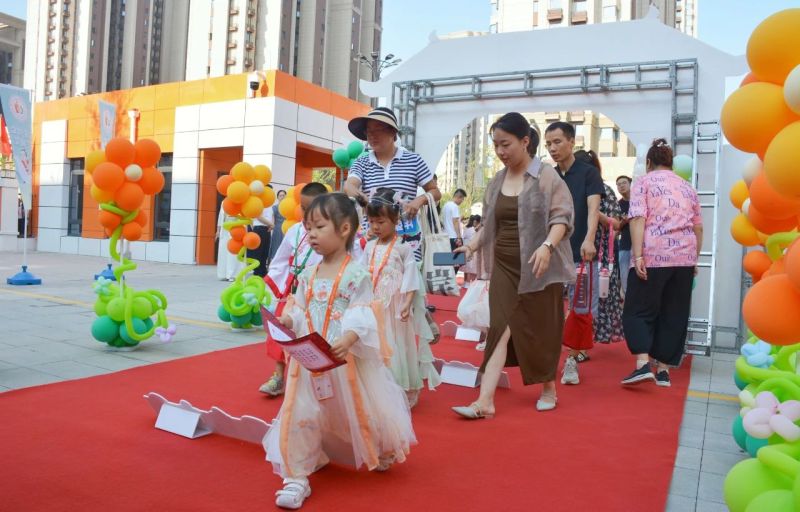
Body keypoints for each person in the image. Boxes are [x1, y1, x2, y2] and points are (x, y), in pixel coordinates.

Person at [263, 193, 416, 509]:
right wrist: (288, 319)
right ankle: (296, 475)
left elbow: (363, 310)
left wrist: (349, 336)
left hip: (342, 360)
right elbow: (299, 306)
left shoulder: (356, 274)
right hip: (307, 362)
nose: (311, 235)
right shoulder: (308, 274)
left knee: (357, 406)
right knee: (301, 411)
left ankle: (376, 445)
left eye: (319, 227)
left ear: (344, 229)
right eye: (308, 228)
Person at [451, 113, 575, 417]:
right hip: (504, 266)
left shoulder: (546, 176)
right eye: (496, 145)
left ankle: (548, 387)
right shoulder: (497, 181)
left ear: (525, 141)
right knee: (500, 327)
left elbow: (561, 218)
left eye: (505, 144)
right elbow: (488, 225)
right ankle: (485, 401)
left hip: (539, 266)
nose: (500, 151)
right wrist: (470, 246)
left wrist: (547, 246)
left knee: (540, 329)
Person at [621, 139, 703, 387]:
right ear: (671, 163)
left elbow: (637, 218)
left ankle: (642, 365)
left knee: (637, 310)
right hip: (684, 258)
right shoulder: (688, 188)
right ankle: (664, 371)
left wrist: (638, 255)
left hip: (653, 255)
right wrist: (694, 259)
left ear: (648, 162)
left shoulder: (643, 182)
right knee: (673, 313)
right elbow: (698, 228)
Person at [361, 188, 433, 407]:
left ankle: (399, 387)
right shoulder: (369, 247)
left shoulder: (403, 248)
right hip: (373, 305)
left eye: (381, 222)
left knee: (396, 345)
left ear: (395, 220)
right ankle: (376, 387)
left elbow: (411, 276)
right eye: (372, 222)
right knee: (374, 345)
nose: (375, 226)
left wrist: (408, 301)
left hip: (394, 306)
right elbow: (361, 274)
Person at [545, 121, 604, 386]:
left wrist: (589, 239)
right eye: (548, 144)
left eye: (557, 142)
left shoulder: (589, 173)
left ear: (571, 142)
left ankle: (572, 359)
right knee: (549, 308)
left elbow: (593, 210)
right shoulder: (549, 175)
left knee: (580, 308)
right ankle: (547, 357)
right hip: (552, 251)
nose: (552, 148)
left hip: (581, 252)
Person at [343, 107, 442, 263]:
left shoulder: (414, 160)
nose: (372, 136)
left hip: (408, 242)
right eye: (368, 132)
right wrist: (363, 200)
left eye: (377, 130)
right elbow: (349, 186)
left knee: (408, 277)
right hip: (374, 242)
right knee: (373, 276)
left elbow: (435, 192)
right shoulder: (362, 162)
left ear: (393, 133)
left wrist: (419, 200)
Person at [258, 183, 328, 396]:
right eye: (303, 207)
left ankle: (316, 381)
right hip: (292, 290)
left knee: (314, 335)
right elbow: (280, 258)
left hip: (319, 291)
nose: (306, 213)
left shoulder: (330, 230)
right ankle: (278, 376)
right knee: (282, 330)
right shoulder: (295, 230)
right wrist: (280, 284)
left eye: (311, 207)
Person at [574, 150, 624, 345]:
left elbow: (617, 224)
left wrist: (595, 213)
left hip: (601, 251)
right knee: (578, 293)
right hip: (575, 248)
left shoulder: (605, 190)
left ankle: (596, 332)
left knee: (601, 292)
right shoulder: (572, 187)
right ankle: (580, 334)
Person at [216, 208, 245, 281]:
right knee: (223, 252)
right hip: (225, 230)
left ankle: (233, 275)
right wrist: (218, 231)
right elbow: (220, 217)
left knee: (233, 252)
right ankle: (223, 274)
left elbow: (242, 217)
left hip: (235, 229)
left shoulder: (238, 203)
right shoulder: (223, 203)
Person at [247, 201, 274, 278]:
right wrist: (271, 224)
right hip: (259, 228)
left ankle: (263, 271)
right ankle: (257, 271)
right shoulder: (258, 203)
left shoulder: (269, 205)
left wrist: (271, 225)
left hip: (267, 229)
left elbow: (271, 217)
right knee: (258, 251)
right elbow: (258, 216)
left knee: (265, 251)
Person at [615, 175, 633, 295]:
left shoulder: (639, 201)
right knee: (625, 278)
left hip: (642, 246)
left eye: (624, 183)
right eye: (619, 184)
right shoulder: (618, 205)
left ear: (631, 184)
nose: (621, 186)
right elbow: (616, 228)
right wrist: (624, 222)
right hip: (625, 245)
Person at [268, 189, 288, 263]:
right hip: (277, 229)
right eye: (280, 195)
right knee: (276, 245)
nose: (282, 197)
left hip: (286, 229)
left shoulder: (289, 207)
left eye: (284, 195)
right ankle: (272, 263)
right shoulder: (275, 207)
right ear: (278, 197)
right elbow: (272, 219)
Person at [462, 215, 482, 284]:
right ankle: (471, 282)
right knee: (472, 268)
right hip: (472, 250)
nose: (474, 223)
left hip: (469, 249)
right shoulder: (474, 229)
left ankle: (467, 282)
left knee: (468, 267)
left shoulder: (468, 229)